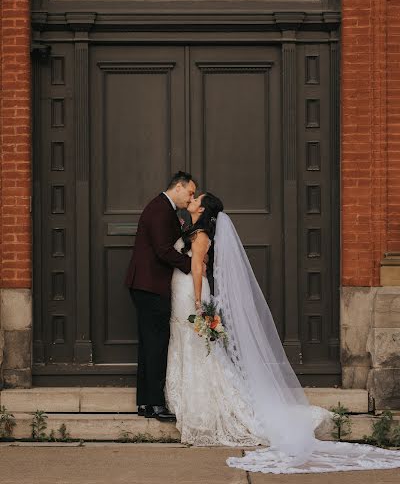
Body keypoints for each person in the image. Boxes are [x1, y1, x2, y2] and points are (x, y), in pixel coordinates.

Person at [165, 192, 400, 474]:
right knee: (191, 345)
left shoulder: (201, 235)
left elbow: (197, 269)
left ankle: (207, 407)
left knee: (199, 349)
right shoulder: (192, 229)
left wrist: (199, 303)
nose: (191, 199)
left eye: (195, 198)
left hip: (193, 294)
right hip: (184, 293)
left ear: (202, 208)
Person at [125, 171, 196, 421]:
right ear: (178, 187)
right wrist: (192, 264)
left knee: (148, 345)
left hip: (146, 285)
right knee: (155, 345)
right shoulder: (160, 209)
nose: (191, 198)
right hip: (150, 286)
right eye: (190, 192)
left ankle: (145, 403)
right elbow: (164, 251)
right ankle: (156, 405)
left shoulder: (164, 209)